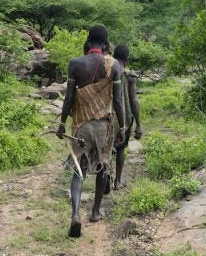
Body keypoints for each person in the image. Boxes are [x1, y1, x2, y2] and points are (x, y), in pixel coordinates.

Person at [56, 25, 125, 238]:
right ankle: (95, 211)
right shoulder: (114, 66)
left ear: (88, 40)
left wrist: (61, 123)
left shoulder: (75, 63)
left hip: (81, 125)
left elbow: (69, 97)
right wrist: (122, 127)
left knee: (79, 168)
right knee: (103, 165)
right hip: (104, 125)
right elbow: (118, 100)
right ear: (106, 43)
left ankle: (76, 214)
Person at [111, 45, 143, 190]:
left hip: (107, 116)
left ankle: (106, 177)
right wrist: (139, 124)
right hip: (125, 117)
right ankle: (117, 181)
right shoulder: (130, 76)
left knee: (107, 149)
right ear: (127, 59)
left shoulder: (107, 71)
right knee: (121, 149)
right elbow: (133, 101)